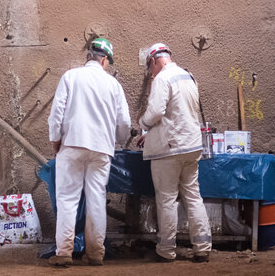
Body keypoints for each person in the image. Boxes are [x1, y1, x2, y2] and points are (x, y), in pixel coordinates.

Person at [47, 38, 131, 267]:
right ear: (105, 60)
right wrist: (119, 141)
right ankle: (95, 253)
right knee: (96, 199)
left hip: (72, 144)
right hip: (102, 150)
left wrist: (56, 139)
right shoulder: (113, 85)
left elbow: (57, 113)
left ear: (88, 56)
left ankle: (64, 252)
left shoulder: (70, 77)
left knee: (67, 199)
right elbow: (124, 122)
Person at [138, 43, 212, 262]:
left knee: (167, 198)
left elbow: (156, 112)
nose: (151, 73)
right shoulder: (188, 76)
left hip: (170, 149)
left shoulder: (162, 78)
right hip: (192, 146)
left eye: (149, 67)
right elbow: (179, 113)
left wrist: (143, 124)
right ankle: (202, 247)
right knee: (193, 195)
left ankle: (166, 250)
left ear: (153, 61)